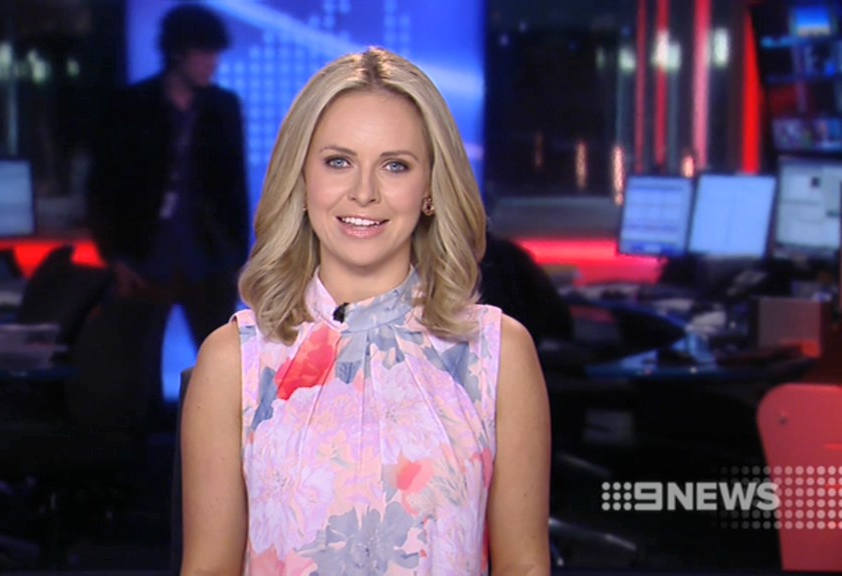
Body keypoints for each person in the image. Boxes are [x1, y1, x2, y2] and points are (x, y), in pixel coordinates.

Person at [181, 47, 551, 574]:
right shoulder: (234, 361)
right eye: (338, 162)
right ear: (302, 179)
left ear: (429, 188)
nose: (363, 193)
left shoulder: (497, 353)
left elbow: (525, 567)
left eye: (395, 166)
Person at [88, 3, 249, 352]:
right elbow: (104, 188)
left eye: (216, 54)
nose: (213, 63)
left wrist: (239, 259)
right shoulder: (130, 107)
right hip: (144, 257)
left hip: (209, 259)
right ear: (178, 52)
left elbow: (234, 190)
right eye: (205, 53)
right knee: (134, 364)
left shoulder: (224, 108)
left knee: (221, 361)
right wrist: (115, 257)